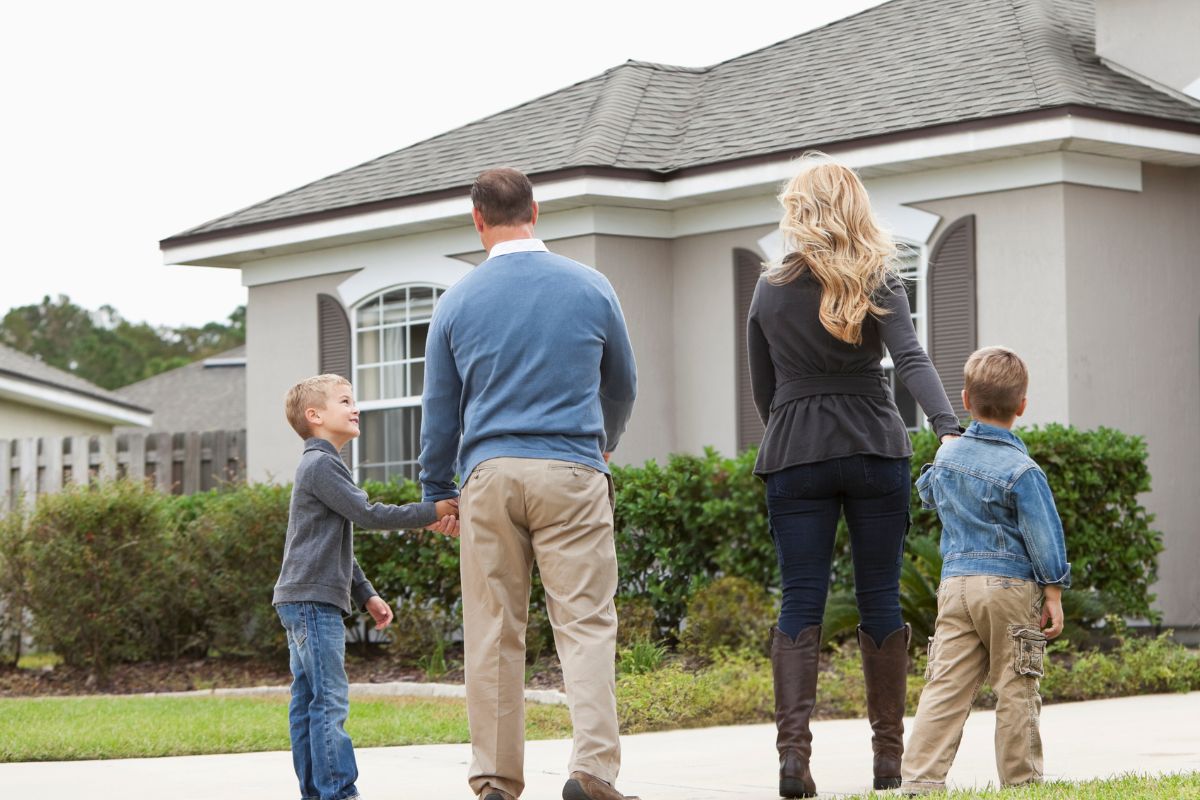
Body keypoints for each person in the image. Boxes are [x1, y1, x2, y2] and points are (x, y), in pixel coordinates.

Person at [419, 167, 639, 800]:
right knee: (586, 624)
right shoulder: (591, 287)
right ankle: (592, 771)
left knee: (493, 631)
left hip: (488, 475)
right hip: (571, 468)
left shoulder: (456, 302)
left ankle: (494, 781)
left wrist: (440, 487)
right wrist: (604, 442)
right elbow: (622, 383)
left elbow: (440, 409)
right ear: (535, 212)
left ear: (478, 220)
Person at [747, 154, 962, 798]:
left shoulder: (769, 287)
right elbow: (912, 359)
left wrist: (793, 425)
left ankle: (793, 762)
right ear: (856, 208)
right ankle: (889, 763)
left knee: (800, 599)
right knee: (881, 598)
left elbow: (764, 390)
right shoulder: (879, 278)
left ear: (797, 210)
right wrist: (946, 425)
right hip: (875, 445)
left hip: (794, 453)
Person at [273, 373, 459, 800]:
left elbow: (334, 541)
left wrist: (366, 593)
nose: (355, 408)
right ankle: (338, 793)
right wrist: (432, 509)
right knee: (329, 702)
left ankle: (317, 794)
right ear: (314, 415)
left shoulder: (321, 466)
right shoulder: (321, 464)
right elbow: (368, 514)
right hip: (311, 602)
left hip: (303, 598)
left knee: (309, 703)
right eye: (345, 400)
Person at [901, 346, 1071, 793]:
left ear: (965, 399)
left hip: (956, 587)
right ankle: (1022, 783)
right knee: (1016, 685)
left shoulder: (948, 458)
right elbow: (1044, 536)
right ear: (1022, 406)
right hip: (1009, 589)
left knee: (945, 685)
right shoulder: (1022, 470)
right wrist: (1053, 592)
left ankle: (920, 779)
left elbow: (927, 493)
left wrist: (945, 451)